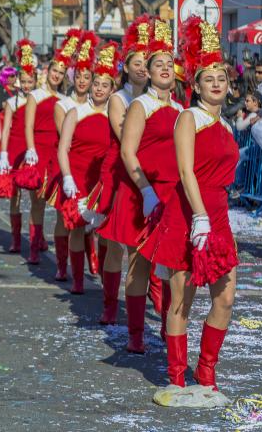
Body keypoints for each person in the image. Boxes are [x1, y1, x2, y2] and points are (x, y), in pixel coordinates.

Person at [141, 17, 238, 406]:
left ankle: (207, 370)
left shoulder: (228, 127)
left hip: (219, 217)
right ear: (195, 86)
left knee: (226, 297)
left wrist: (212, 218)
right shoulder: (188, 117)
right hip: (187, 215)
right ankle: (177, 376)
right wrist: (198, 216)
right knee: (181, 298)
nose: (216, 83)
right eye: (208, 77)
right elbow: (185, 169)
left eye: (222, 78)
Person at [97, 18, 182, 353]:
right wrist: (146, 191)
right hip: (139, 192)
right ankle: (135, 332)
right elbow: (127, 150)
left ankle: (165, 325)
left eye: (169, 64)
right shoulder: (138, 104)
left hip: (171, 195)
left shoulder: (179, 109)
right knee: (139, 262)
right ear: (146, 71)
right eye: (156, 64)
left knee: (170, 263)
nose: (164, 68)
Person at [88, 15, 153, 326]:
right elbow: (124, 134)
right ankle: (111, 304)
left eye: (146, 61)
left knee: (144, 248)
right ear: (126, 67)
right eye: (136, 62)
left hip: (151, 176)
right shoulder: (118, 98)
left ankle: (145, 305)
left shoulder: (159, 98)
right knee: (117, 247)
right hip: (121, 176)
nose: (142, 67)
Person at [56, 41, 117, 295]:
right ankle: (78, 279)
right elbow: (63, 148)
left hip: (103, 181)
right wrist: (68, 177)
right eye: (96, 84)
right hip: (79, 178)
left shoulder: (117, 114)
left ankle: (104, 275)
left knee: (105, 231)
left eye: (105, 85)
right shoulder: (75, 111)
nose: (99, 89)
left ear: (112, 88)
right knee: (77, 228)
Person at [21, 32, 73, 264]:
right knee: (37, 202)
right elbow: (28, 124)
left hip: (57, 152)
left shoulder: (64, 99)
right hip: (39, 152)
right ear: (48, 71)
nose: (57, 75)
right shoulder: (35, 95)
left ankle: (48, 242)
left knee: (59, 203)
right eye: (54, 71)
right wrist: (30, 150)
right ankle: (34, 245)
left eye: (61, 73)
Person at [51, 30, 97, 280]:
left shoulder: (100, 104)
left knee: (93, 220)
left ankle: (92, 259)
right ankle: (62, 264)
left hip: (94, 169)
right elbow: (66, 140)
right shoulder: (64, 105)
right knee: (66, 219)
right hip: (69, 165)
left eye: (87, 77)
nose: (82, 81)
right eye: (78, 76)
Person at [0, 40, 38, 253]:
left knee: (34, 195)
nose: (27, 84)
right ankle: (15, 238)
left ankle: (35, 238)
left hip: (31, 150)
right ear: (18, 82)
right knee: (15, 195)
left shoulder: (39, 101)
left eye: (30, 81)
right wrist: (3, 154)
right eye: (24, 81)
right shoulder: (11, 102)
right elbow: (5, 130)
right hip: (14, 149)